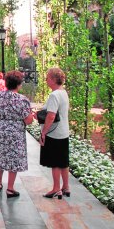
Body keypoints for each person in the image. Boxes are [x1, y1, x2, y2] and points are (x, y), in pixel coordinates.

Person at [0, 70, 34, 198]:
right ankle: (10, 188)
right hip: (16, 131)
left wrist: (3, 116)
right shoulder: (22, 100)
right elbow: (28, 120)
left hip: (1, 128)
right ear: (19, 84)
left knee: (0, 153)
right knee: (13, 157)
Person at [40, 67, 70, 199]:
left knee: (55, 162)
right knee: (63, 160)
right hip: (64, 131)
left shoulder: (54, 95)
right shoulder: (63, 92)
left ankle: (56, 188)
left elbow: (51, 116)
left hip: (54, 132)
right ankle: (66, 187)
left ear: (52, 79)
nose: (46, 80)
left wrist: (44, 132)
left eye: (47, 77)